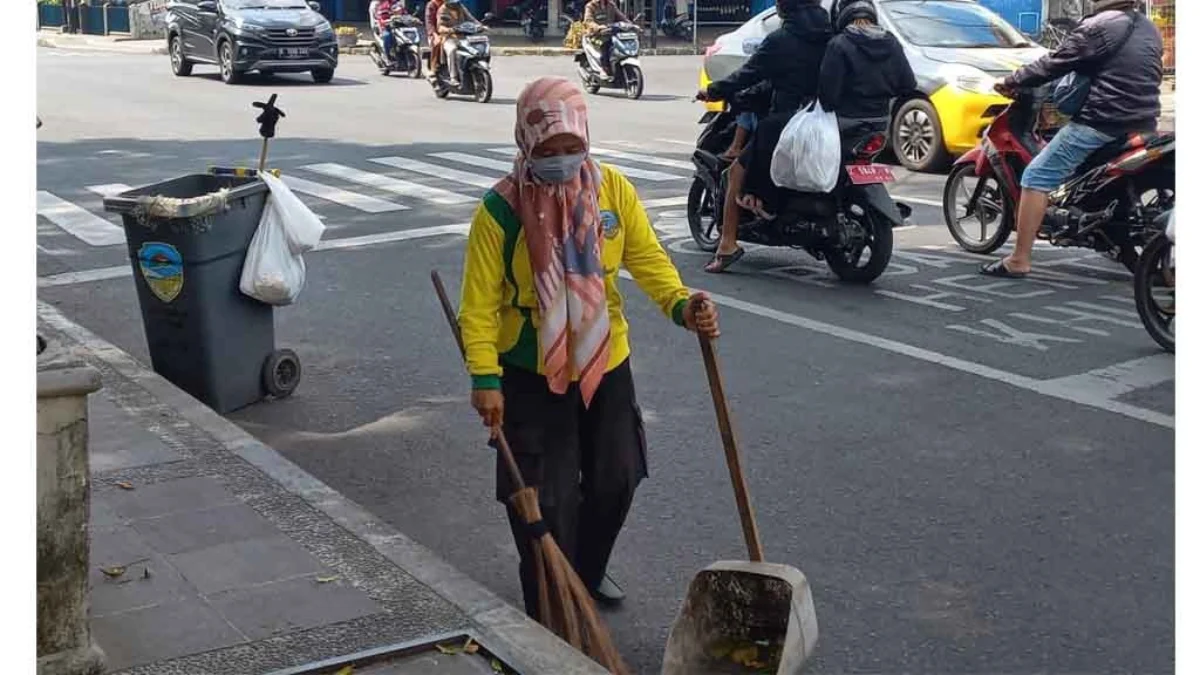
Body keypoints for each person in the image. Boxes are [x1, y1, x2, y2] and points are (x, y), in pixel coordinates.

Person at [459, 76, 720, 617]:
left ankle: (585, 570)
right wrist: (485, 379)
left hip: (605, 360)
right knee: (542, 499)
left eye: (571, 148)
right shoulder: (501, 211)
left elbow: (646, 259)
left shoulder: (612, 190)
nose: (560, 160)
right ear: (525, 144)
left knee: (617, 477)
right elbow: (479, 306)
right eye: (547, 151)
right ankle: (549, 602)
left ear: (586, 138)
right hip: (530, 370)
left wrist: (682, 304)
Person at [983, 0, 1162, 278]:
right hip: (1144, 121)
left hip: (1102, 121)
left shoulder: (1100, 26)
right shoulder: (1149, 28)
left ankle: (1019, 259)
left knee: (1036, 176)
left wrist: (1013, 81)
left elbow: (1055, 63)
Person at [696, 0, 831, 273]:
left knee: (735, 172)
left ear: (784, 9)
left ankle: (727, 245)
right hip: (826, 121)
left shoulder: (780, 40)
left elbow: (747, 74)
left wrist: (714, 90)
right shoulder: (832, 37)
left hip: (786, 123)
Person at [818, 0, 917, 149]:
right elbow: (908, 84)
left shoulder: (838, 44)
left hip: (846, 121)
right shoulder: (891, 41)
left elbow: (828, 96)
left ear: (842, 15)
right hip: (881, 120)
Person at [437, 0, 483, 86]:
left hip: (464, 37)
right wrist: (449, 30)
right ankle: (453, 77)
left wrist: (480, 25)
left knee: (476, 49)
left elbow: (471, 18)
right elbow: (440, 27)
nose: (455, 4)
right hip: (449, 38)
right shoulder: (443, 10)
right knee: (452, 50)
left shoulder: (460, 7)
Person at [583, 0, 631, 80]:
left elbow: (621, 17)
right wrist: (597, 27)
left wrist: (630, 25)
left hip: (610, 33)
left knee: (619, 43)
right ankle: (604, 69)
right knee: (605, 45)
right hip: (596, 35)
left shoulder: (611, 5)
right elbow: (588, 21)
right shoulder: (591, 6)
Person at [426, 0, 446, 80]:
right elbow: (429, 22)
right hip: (435, 33)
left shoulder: (449, 4)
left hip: (449, 31)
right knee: (437, 43)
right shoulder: (432, 5)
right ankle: (433, 67)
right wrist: (435, 35)